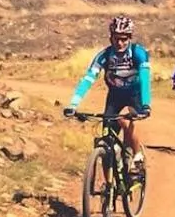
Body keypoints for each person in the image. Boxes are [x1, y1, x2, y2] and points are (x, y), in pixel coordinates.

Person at [63, 14, 151, 167]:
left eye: (124, 38)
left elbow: (145, 79)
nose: (120, 42)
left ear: (129, 38)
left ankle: (137, 156)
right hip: (115, 97)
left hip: (134, 96)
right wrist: (73, 105)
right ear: (111, 37)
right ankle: (108, 184)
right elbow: (88, 79)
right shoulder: (104, 56)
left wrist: (146, 105)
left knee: (124, 120)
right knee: (105, 142)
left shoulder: (138, 53)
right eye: (116, 38)